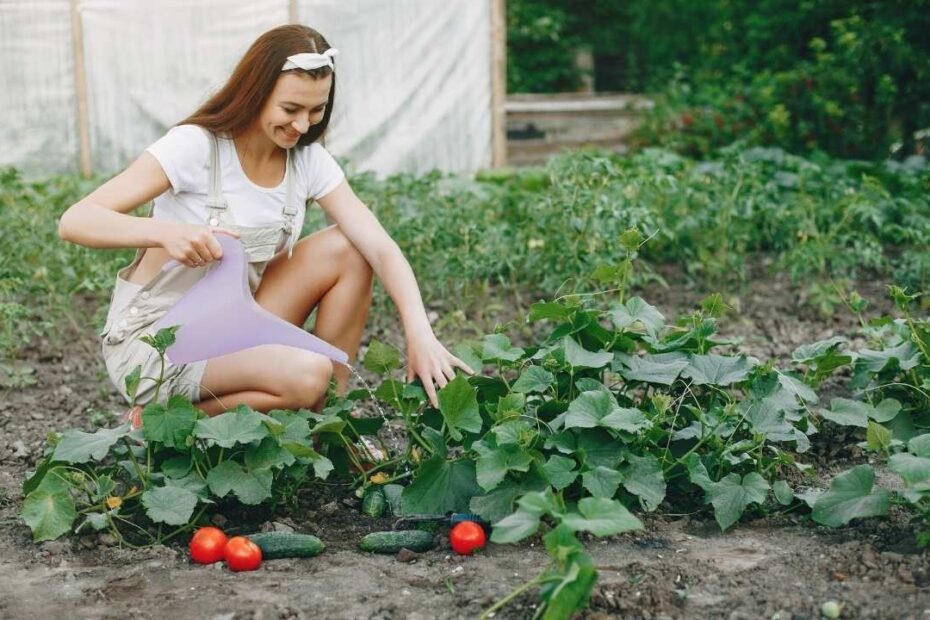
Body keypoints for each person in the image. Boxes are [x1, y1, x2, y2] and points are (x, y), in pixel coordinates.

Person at [58, 24, 473, 425]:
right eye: (290, 109)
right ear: (255, 93)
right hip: (158, 343)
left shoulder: (306, 162)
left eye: (316, 110)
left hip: (230, 324)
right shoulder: (196, 147)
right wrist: (166, 233)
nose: (302, 125)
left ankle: (329, 424)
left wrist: (420, 334)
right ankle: (157, 422)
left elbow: (379, 246)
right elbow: (76, 220)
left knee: (350, 248)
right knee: (310, 373)